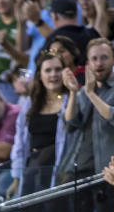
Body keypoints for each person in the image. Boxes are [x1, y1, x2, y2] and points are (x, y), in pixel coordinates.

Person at [62, 38, 114, 212]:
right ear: (88, 63)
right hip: (80, 172)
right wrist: (74, 92)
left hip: (109, 173)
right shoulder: (85, 91)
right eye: (94, 59)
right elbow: (70, 125)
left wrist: (90, 93)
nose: (99, 63)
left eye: (104, 58)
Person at [9, 52, 72, 202]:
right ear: (40, 75)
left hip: (61, 171)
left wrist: (68, 168)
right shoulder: (30, 103)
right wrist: (16, 177)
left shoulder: (71, 100)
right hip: (33, 170)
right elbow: (19, 141)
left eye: (58, 69)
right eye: (48, 70)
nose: (53, 75)